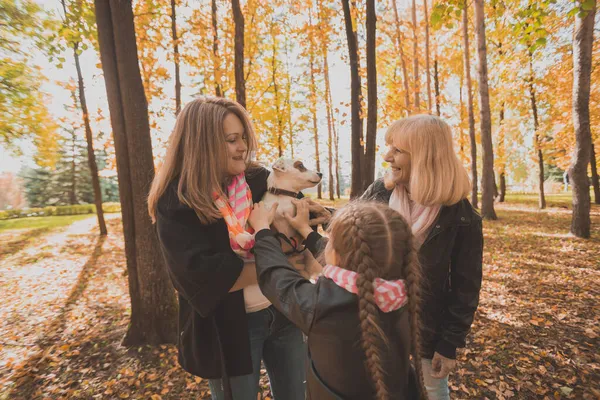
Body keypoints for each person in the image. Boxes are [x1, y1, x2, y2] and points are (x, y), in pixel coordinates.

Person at [147, 97, 306, 400]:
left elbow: (292, 221)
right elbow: (203, 277)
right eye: (232, 140)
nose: (243, 146)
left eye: (243, 137)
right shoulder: (176, 202)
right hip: (231, 329)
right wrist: (282, 265)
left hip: (284, 311)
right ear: (201, 145)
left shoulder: (257, 180)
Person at [248, 199, 426, 400]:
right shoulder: (401, 296)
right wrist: (306, 231)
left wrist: (262, 229)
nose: (327, 244)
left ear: (335, 253)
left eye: (330, 240)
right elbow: (355, 255)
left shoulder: (320, 306)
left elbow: (276, 277)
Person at [361, 114, 483, 400]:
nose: (387, 155)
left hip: (427, 329)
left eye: (398, 150)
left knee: (432, 393)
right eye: (389, 146)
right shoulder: (380, 192)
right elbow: (349, 233)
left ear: (425, 157)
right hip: (376, 323)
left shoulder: (462, 217)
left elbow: (466, 289)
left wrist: (449, 343)